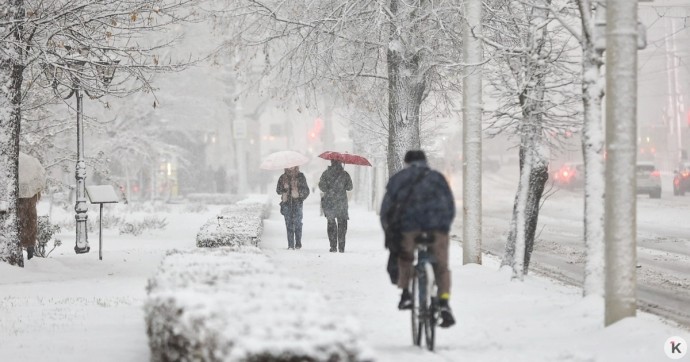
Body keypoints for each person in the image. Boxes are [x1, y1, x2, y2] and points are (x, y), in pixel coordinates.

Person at [380, 150, 456, 328]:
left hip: (409, 228)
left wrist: (390, 232)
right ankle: (444, 303)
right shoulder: (437, 178)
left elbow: (386, 210)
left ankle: (406, 294)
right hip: (436, 229)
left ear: (406, 162)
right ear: (425, 161)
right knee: (442, 266)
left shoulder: (399, 179)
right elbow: (449, 206)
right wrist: (443, 227)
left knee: (405, 257)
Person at [318, 160, 353, 253]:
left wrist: (330, 187)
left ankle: (333, 246)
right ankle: (341, 247)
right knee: (342, 225)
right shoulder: (345, 174)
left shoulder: (326, 174)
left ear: (331, 162)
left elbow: (322, 187)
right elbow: (350, 187)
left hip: (330, 202)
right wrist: (343, 182)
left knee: (331, 224)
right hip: (341, 203)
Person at [276, 166, 310, 250]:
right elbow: (278, 191)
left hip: (297, 203)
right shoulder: (282, 177)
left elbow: (306, 190)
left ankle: (298, 242)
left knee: (298, 223)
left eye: (293, 165)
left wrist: (299, 194)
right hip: (286, 203)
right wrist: (284, 188)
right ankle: (290, 244)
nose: (291, 167)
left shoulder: (300, 176)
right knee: (289, 224)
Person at [18, 192, 40, 260]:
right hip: (26, 213)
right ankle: (29, 257)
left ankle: (30, 258)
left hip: (26, 212)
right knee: (30, 232)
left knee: (30, 232)